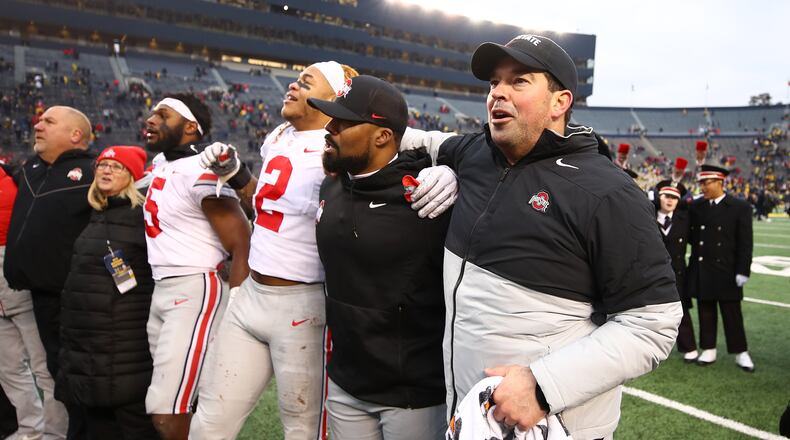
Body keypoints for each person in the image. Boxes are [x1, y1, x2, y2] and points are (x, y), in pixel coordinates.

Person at [401, 34, 682, 439]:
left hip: (552, 423)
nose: (497, 92)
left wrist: (543, 385)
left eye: (519, 81)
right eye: (494, 82)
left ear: (559, 102)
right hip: (471, 414)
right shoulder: (475, 153)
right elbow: (418, 140)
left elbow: (653, 323)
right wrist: (439, 166)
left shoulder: (608, 193)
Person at [193, 62, 456, 440]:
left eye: (306, 82)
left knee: (302, 429)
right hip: (257, 296)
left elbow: (405, 142)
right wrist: (236, 173)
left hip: (306, 308)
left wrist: (450, 168)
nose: (293, 86)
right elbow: (269, 205)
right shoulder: (286, 139)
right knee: (209, 422)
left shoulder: (352, 163)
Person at [309, 75, 451, 439]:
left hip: (412, 394)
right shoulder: (333, 183)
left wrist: (457, 172)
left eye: (342, 121)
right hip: (346, 380)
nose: (330, 128)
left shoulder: (427, 195)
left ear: (383, 135)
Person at [142, 93, 251, 440]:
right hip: (164, 288)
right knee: (182, 398)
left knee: (167, 408)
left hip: (194, 289)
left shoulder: (200, 168)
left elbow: (240, 240)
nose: (150, 120)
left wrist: (236, 302)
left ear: (191, 128)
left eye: (163, 115)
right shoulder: (163, 163)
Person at [4, 105, 93, 439]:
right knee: (54, 371)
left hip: (73, 300)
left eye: (48, 122)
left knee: (70, 375)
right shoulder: (32, 167)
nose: (38, 125)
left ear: (75, 135)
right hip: (36, 295)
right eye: (39, 121)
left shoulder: (95, 170)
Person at [58, 146, 158, 439]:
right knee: (99, 422)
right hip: (89, 341)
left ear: (132, 176)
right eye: (102, 165)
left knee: (132, 422)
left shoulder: (142, 215)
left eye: (116, 167)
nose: (106, 171)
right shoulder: (93, 213)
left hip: (124, 342)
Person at [0, 162, 67, 440]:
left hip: (17, 266)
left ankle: (55, 432)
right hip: (15, 267)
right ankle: (30, 430)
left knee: (43, 365)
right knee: (8, 365)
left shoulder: (19, 175)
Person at [687, 164, 754, 372]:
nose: (702, 188)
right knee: (705, 310)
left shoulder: (739, 207)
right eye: (701, 183)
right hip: (703, 267)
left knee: (732, 313)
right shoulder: (697, 207)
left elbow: (745, 243)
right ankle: (708, 348)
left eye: (706, 183)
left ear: (719, 182)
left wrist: (743, 270)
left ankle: (741, 352)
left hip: (727, 269)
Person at [654, 180, 697, 362]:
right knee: (650, 312)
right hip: (652, 274)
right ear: (659, 197)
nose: (670, 200)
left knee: (681, 312)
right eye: (667, 196)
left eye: (675, 197)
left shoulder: (684, 219)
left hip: (677, 274)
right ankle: (652, 348)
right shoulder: (647, 216)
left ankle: (689, 347)